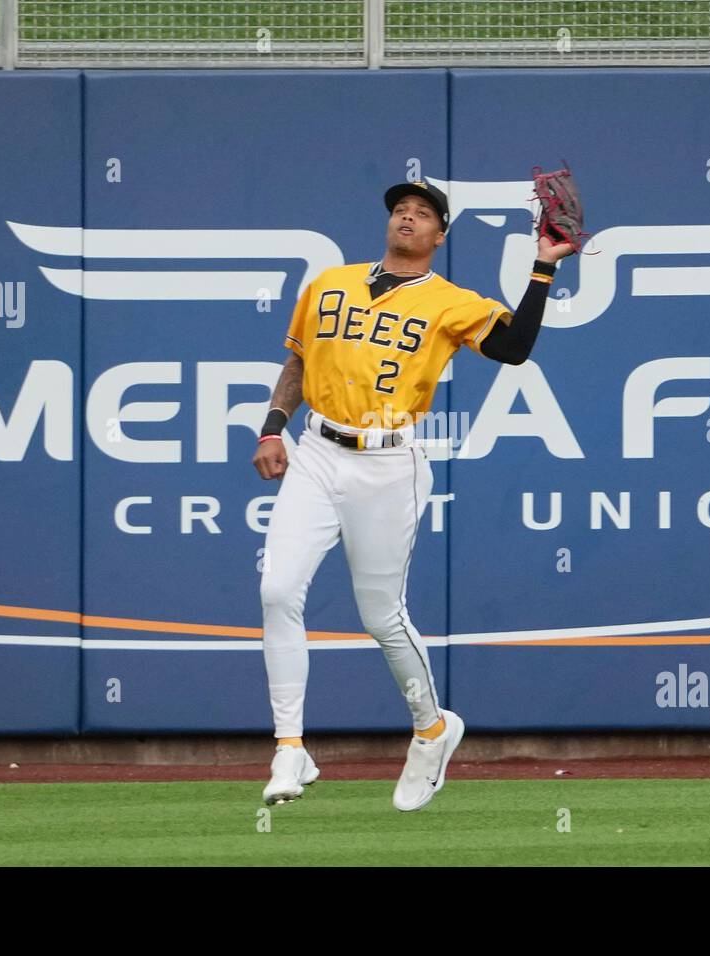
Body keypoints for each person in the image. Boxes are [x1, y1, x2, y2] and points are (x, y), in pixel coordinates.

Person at [252, 179, 574, 810]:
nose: (408, 217)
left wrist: (542, 266)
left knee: (381, 616)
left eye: (423, 213)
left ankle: (431, 729)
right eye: (401, 209)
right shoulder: (329, 283)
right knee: (276, 590)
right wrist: (272, 427)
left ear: (439, 236)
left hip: (389, 461)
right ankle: (290, 746)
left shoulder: (448, 301)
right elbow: (296, 362)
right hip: (317, 451)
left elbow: (513, 348)